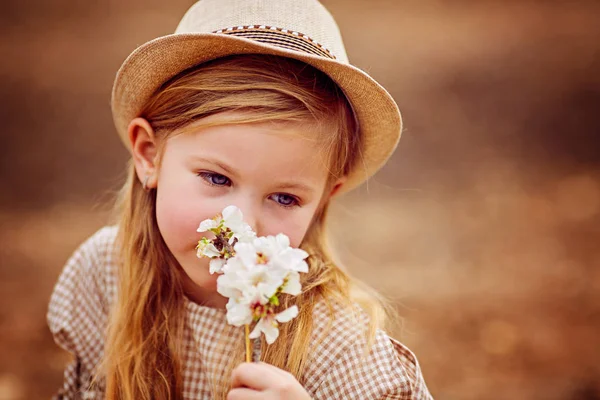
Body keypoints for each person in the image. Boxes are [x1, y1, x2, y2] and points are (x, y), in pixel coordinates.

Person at [47, 0, 433, 399]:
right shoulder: (103, 275)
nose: (243, 227)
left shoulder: (341, 347)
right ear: (149, 154)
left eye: (284, 198)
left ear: (322, 202)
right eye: (216, 178)